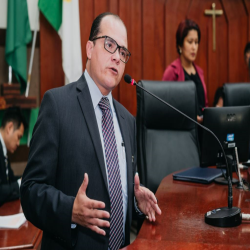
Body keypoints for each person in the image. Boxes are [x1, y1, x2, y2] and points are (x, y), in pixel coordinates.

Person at [20, 12, 161, 250]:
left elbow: (116, 192)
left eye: (123, 52)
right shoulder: (57, 104)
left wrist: (135, 203)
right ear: (89, 48)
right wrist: (70, 211)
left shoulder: (128, 121)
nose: (117, 57)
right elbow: (30, 190)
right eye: (109, 45)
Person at [162, 19, 208, 123]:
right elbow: (165, 107)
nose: (194, 47)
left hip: (202, 129)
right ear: (180, 45)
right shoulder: (172, 71)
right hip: (182, 130)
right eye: (190, 42)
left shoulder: (200, 72)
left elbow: (205, 103)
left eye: (196, 42)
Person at [0, 107, 26, 206]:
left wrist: (24, 180)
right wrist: (20, 184)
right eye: (18, 137)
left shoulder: (3, 150)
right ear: (10, 128)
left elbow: (10, 179)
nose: (18, 143)